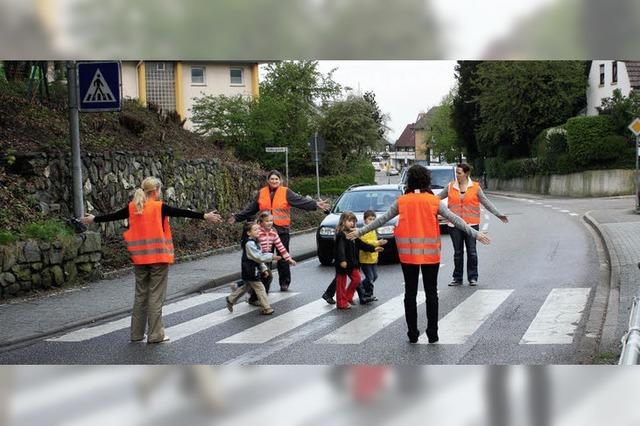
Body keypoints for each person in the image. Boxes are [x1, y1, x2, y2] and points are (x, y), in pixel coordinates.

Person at [348, 165, 490, 344]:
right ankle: (432, 333)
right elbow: (456, 219)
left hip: (408, 257)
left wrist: (359, 232)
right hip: (430, 256)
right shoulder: (433, 201)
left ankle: (412, 333)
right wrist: (476, 233)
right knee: (431, 294)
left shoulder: (402, 201)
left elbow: (381, 220)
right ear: (426, 180)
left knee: (410, 294)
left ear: (410, 180)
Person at [79, 176, 221, 343]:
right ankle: (155, 335)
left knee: (141, 296)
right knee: (155, 296)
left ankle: (136, 334)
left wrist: (94, 219)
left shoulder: (133, 207)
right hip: (159, 258)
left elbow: (113, 216)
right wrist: (205, 216)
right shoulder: (159, 207)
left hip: (139, 259)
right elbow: (181, 212)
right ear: (156, 191)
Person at [228, 170, 330, 291]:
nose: (274, 181)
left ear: (280, 180)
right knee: (265, 257)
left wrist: (315, 204)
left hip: (282, 230)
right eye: (272, 179)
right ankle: (264, 285)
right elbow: (252, 208)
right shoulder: (262, 193)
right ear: (268, 181)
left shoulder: (286, 192)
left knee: (282, 256)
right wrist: (237, 217)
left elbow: (300, 201)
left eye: (276, 179)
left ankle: (284, 282)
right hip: (265, 231)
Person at [438, 163, 508, 287]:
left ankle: (472, 277)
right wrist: (422, 200)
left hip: (472, 225)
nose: (457, 175)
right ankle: (457, 278)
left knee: (472, 251)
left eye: (459, 173)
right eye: (456, 172)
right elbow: (436, 198)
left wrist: (498, 214)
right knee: (458, 253)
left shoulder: (475, 187)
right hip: (455, 226)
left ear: (466, 174)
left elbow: (486, 202)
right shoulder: (450, 187)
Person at [226, 221, 279, 315]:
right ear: (248, 233)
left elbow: (258, 257)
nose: (258, 231)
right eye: (255, 229)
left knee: (246, 287)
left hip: (252, 269)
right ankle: (266, 308)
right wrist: (271, 256)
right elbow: (258, 257)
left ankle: (231, 299)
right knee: (260, 288)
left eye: (258, 229)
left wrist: (263, 269)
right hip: (250, 269)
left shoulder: (255, 242)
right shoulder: (249, 244)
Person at [244, 211, 297, 306]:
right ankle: (258, 297)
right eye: (267, 221)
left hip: (266, 259)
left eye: (271, 221)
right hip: (257, 260)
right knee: (266, 278)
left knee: (262, 279)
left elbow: (281, 247)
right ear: (261, 223)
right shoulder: (258, 233)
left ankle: (255, 296)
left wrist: (289, 259)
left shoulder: (273, 233)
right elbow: (252, 245)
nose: (270, 223)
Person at [333, 211, 382, 310]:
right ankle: (341, 303)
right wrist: (342, 260)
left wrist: (373, 248)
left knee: (357, 279)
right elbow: (340, 249)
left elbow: (361, 244)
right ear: (343, 222)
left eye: (353, 221)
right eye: (349, 221)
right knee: (341, 284)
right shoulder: (341, 235)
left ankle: (347, 297)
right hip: (343, 263)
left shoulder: (354, 234)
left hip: (353, 263)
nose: (352, 223)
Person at [358, 210, 387, 302]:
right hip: (365, 259)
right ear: (365, 220)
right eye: (370, 219)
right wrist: (378, 242)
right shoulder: (363, 231)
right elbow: (366, 243)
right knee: (370, 277)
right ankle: (368, 294)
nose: (372, 221)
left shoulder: (373, 231)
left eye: (374, 219)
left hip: (373, 258)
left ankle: (361, 286)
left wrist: (379, 243)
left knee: (374, 276)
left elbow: (373, 243)